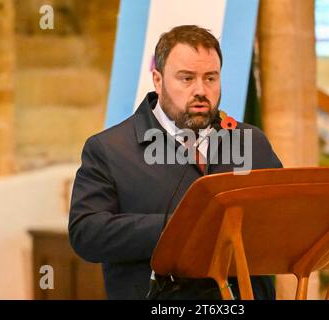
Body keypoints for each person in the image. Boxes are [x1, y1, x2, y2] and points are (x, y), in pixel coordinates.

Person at [68, 25, 282, 299]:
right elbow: (87, 233)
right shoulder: (109, 149)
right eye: (186, 78)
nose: (201, 90)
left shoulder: (251, 142)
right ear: (157, 80)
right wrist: (183, 228)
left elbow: (281, 219)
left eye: (210, 78)